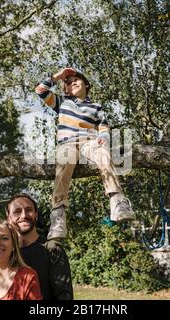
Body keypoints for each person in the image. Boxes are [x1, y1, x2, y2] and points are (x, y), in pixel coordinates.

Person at [35, 67, 135, 239]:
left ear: (86, 84)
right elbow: (40, 90)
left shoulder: (96, 107)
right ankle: (58, 216)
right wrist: (58, 76)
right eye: (67, 82)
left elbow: (103, 125)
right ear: (65, 88)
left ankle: (117, 200)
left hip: (89, 141)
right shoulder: (62, 102)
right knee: (64, 165)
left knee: (104, 154)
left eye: (76, 80)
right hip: (67, 143)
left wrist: (104, 137)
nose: (72, 82)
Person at [5, 193, 74, 300]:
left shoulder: (52, 249)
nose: (24, 215)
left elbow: (64, 297)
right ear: (8, 217)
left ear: (36, 215)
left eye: (29, 210)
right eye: (17, 211)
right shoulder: (5, 252)